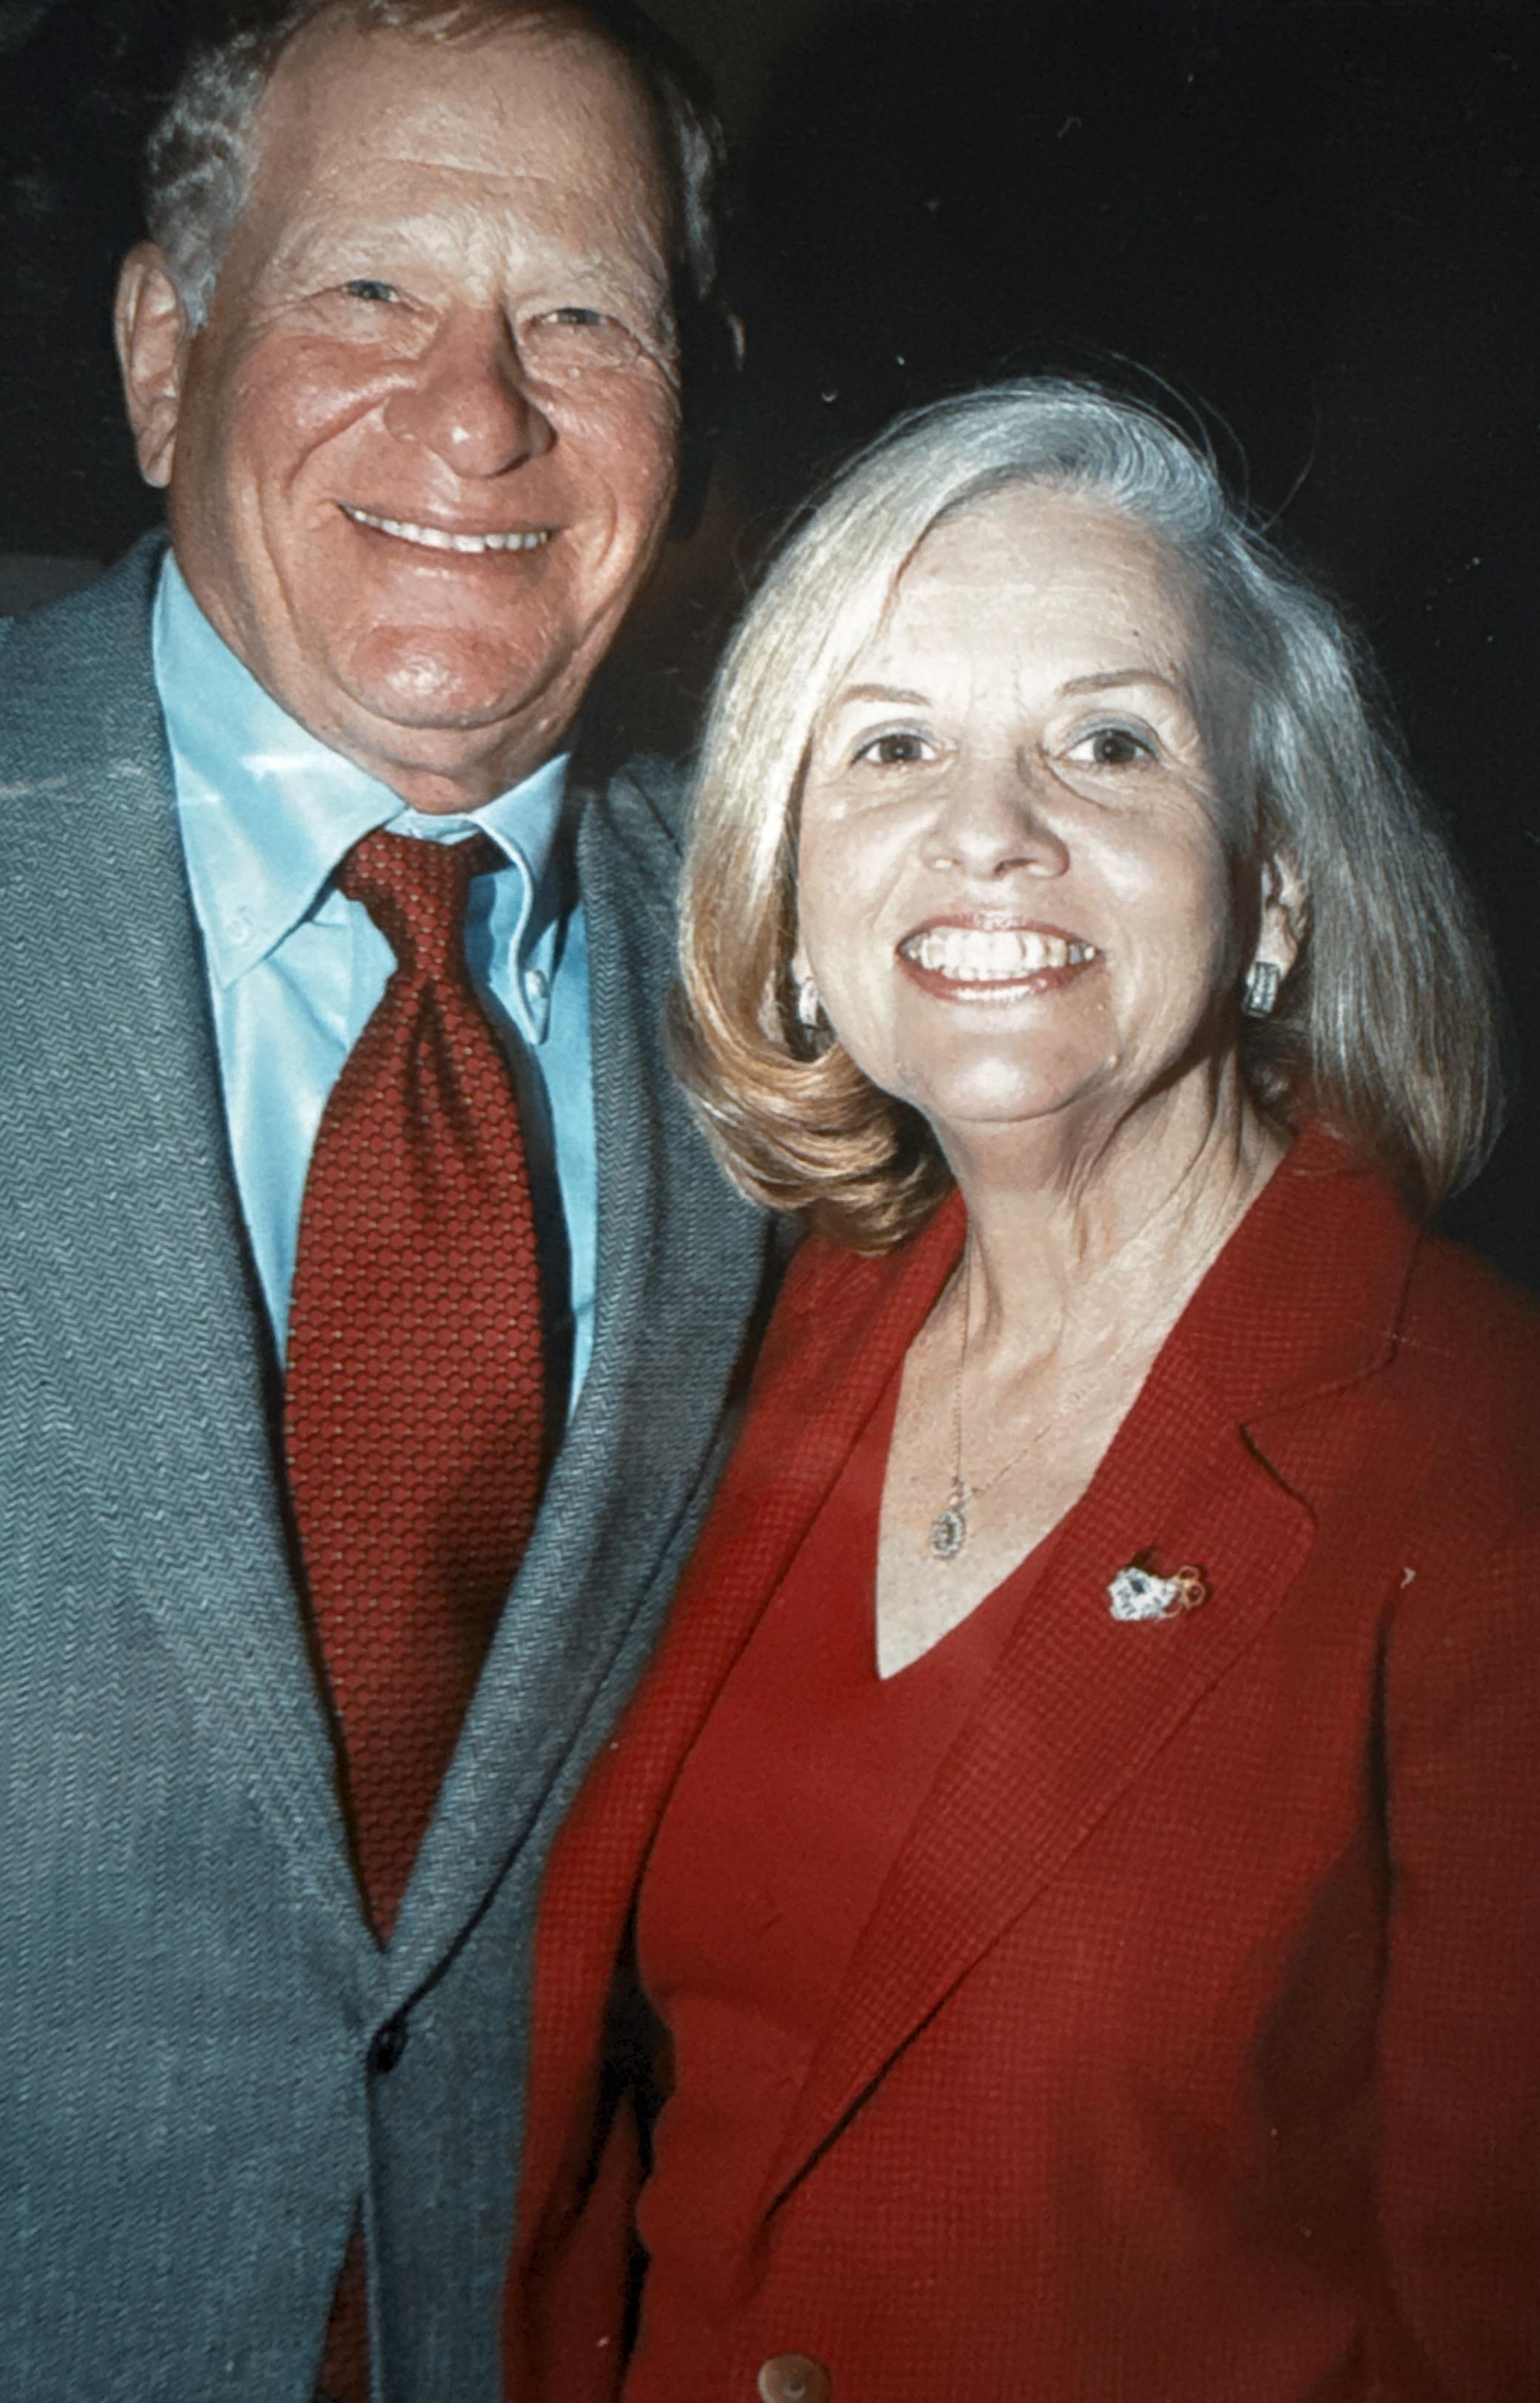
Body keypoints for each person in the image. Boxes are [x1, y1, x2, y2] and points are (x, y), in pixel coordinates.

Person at [0, 4, 772, 2398]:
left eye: (583, 313)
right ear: (168, 357)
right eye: (365, 292)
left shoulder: (796, 980)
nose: (477, 415)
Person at [504, 381, 1540, 2402]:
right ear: (790, 906)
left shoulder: (1470, 1471)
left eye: (1108, 739)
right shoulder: (754, 1333)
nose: (988, 832)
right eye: (888, 745)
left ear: (1273, 890)